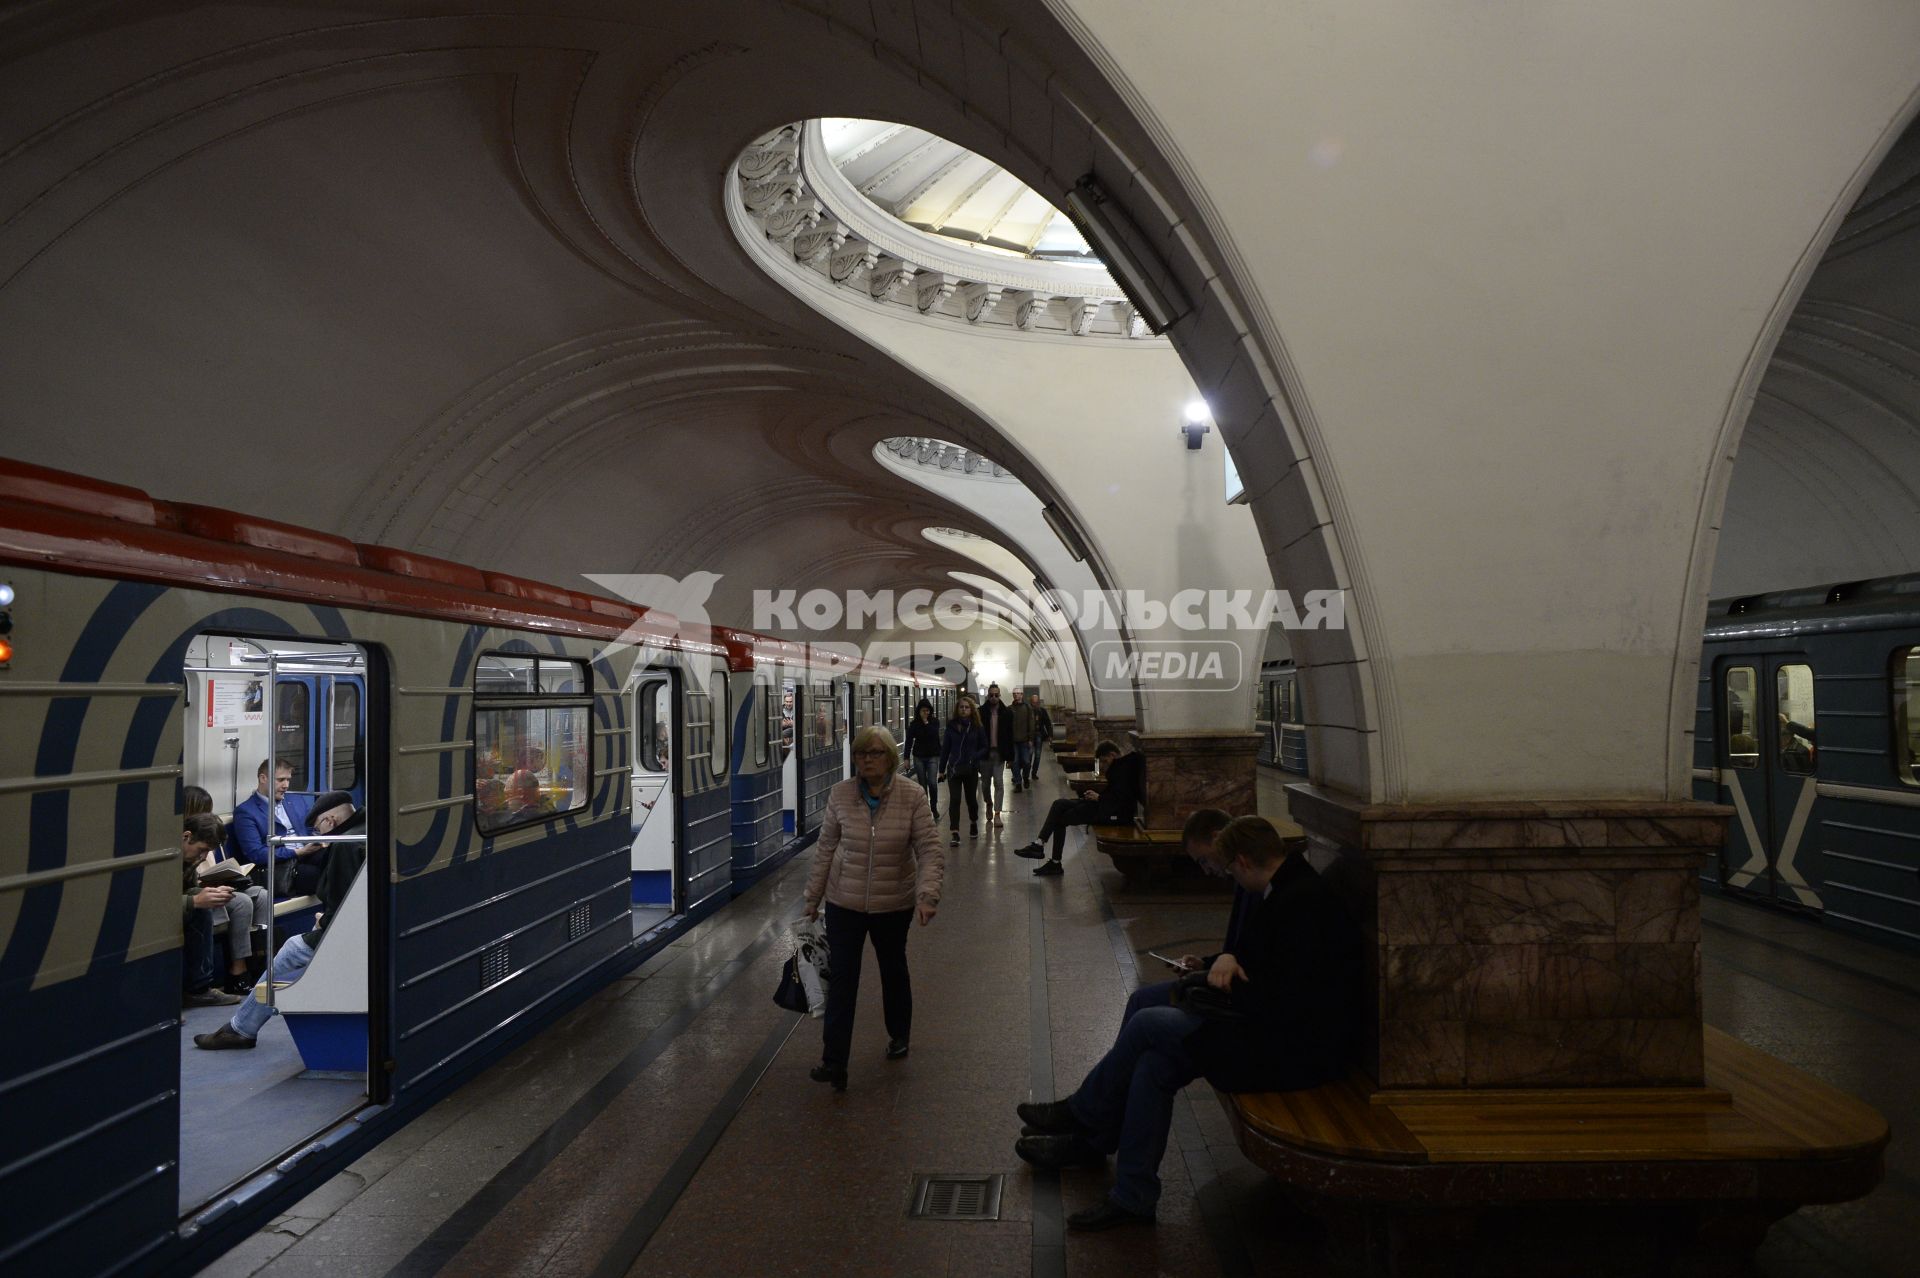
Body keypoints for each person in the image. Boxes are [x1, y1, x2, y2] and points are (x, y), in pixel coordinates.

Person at [1013, 816, 1362, 1230]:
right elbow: (1265, 964)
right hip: (1258, 1024)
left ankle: (1084, 1117)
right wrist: (1218, 964)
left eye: (1230, 868)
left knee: (1147, 1024)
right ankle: (1132, 1195)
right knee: (1151, 1067)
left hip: (1285, 1046)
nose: (1228, 876)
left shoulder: (1300, 901)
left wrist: (1222, 980)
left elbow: (1289, 1000)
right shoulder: (1285, 887)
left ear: (1245, 862)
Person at [802, 726, 945, 1091]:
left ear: (891, 759)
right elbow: (825, 849)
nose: (867, 760)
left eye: (876, 753)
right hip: (843, 902)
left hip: (892, 903)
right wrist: (811, 900)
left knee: (893, 970)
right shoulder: (841, 795)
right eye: (862, 753)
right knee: (842, 979)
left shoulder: (912, 797)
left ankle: (899, 1033)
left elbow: (929, 850)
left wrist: (927, 896)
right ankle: (834, 1061)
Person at [195, 791, 367, 1050]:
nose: (318, 834)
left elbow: (343, 907)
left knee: (292, 950)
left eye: (318, 827)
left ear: (330, 821)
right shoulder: (364, 829)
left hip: (355, 933)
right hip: (365, 927)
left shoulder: (344, 845)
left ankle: (241, 1029)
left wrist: (323, 922)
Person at [1013, 739, 1146, 876]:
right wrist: (1098, 796)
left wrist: (1099, 798)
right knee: (1059, 804)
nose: (1102, 766)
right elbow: (1115, 794)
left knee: (1060, 818)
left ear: (1112, 755)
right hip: (1105, 807)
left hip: (1114, 815)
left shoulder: (1123, 769)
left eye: (1103, 761)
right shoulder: (1121, 767)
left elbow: (1123, 801)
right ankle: (1039, 844)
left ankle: (1053, 860)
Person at [181, 813, 242, 1008]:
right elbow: (152, 902)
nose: (203, 857)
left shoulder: (188, 859)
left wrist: (208, 893)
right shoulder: (162, 858)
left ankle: (199, 988)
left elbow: (186, 890)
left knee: (205, 903)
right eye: (202, 850)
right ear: (186, 837)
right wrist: (195, 901)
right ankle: (197, 988)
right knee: (200, 906)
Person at [231, 759, 316, 896]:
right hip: (281, 866)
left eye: (288, 780)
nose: (286, 785)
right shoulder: (246, 811)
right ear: (263, 778)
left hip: (307, 854)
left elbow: (310, 829)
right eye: (281, 780)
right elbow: (255, 854)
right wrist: (297, 852)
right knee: (322, 874)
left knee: (338, 857)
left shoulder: (295, 800)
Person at [938, 695, 988, 845]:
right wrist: (941, 770)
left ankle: (973, 822)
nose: (964, 710)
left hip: (971, 769)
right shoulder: (951, 727)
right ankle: (955, 832)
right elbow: (945, 749)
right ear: (957, 709)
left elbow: (985, 747)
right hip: (954, 769)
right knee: (955, 800)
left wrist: (975, 756)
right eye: (961, 707)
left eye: (967, 707)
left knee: (971, 800)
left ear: (971, 710)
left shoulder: (977, 727)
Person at [904, 697, 943, 820]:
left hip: (932, 756)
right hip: (919, 757)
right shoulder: (914, 725)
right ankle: (925, 808)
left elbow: (933, 734)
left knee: (932, 782)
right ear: (919, 711)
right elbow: (909, 741)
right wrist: (906, 758)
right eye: (923, 711)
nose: (926, 713)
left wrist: (926, 722)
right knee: (923, 784)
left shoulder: (935, 722)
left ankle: (934, 806)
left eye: (927, 710)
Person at [978, 684, 1012, 824]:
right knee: (985, 785)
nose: (993, 698)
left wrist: (1010, 757)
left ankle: (997, 813)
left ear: (999, 696)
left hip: (999, 753)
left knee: (999, 782)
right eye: (991, 695)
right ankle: (988, 803)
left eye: (996, 695)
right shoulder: (981, 712)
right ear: (987, 696)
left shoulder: (1006, 713)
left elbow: (1010, 736)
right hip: (985, 753)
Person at [1009, 690, 1035, 794]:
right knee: (1014, 762)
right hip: (1013, 741)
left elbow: (1031, 723)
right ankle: (1018, 783)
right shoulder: (1010, 709)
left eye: (1018, 693)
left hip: (1025, 740)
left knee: (1026, 762)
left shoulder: (1027, 708)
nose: (1016, 695)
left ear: (1022, 695)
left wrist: (1031, 738)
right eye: (1014, 693)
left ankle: (1025, 777)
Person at [1028, 698, 1054, 784]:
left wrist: (1050, 735)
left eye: (1036, 702)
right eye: (1033, 702)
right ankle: (1026, 773)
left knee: (1038, 755)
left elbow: (1047, 722)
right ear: (1031, 702)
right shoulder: (1028, 711)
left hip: (1039, 734)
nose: (1035, 704)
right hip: (1030, 736)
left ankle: (1034, 772)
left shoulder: (1042, 711)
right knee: (1029, 755)